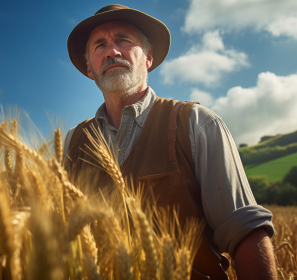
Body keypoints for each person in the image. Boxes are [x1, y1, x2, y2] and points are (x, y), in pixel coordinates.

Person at [63, 4, 277, 280]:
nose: (112, 51)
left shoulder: (197, 123)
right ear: (90, 69)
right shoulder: (72, 142)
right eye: (99, 45)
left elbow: (245, 231)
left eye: (123, 40)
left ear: (148, 57)